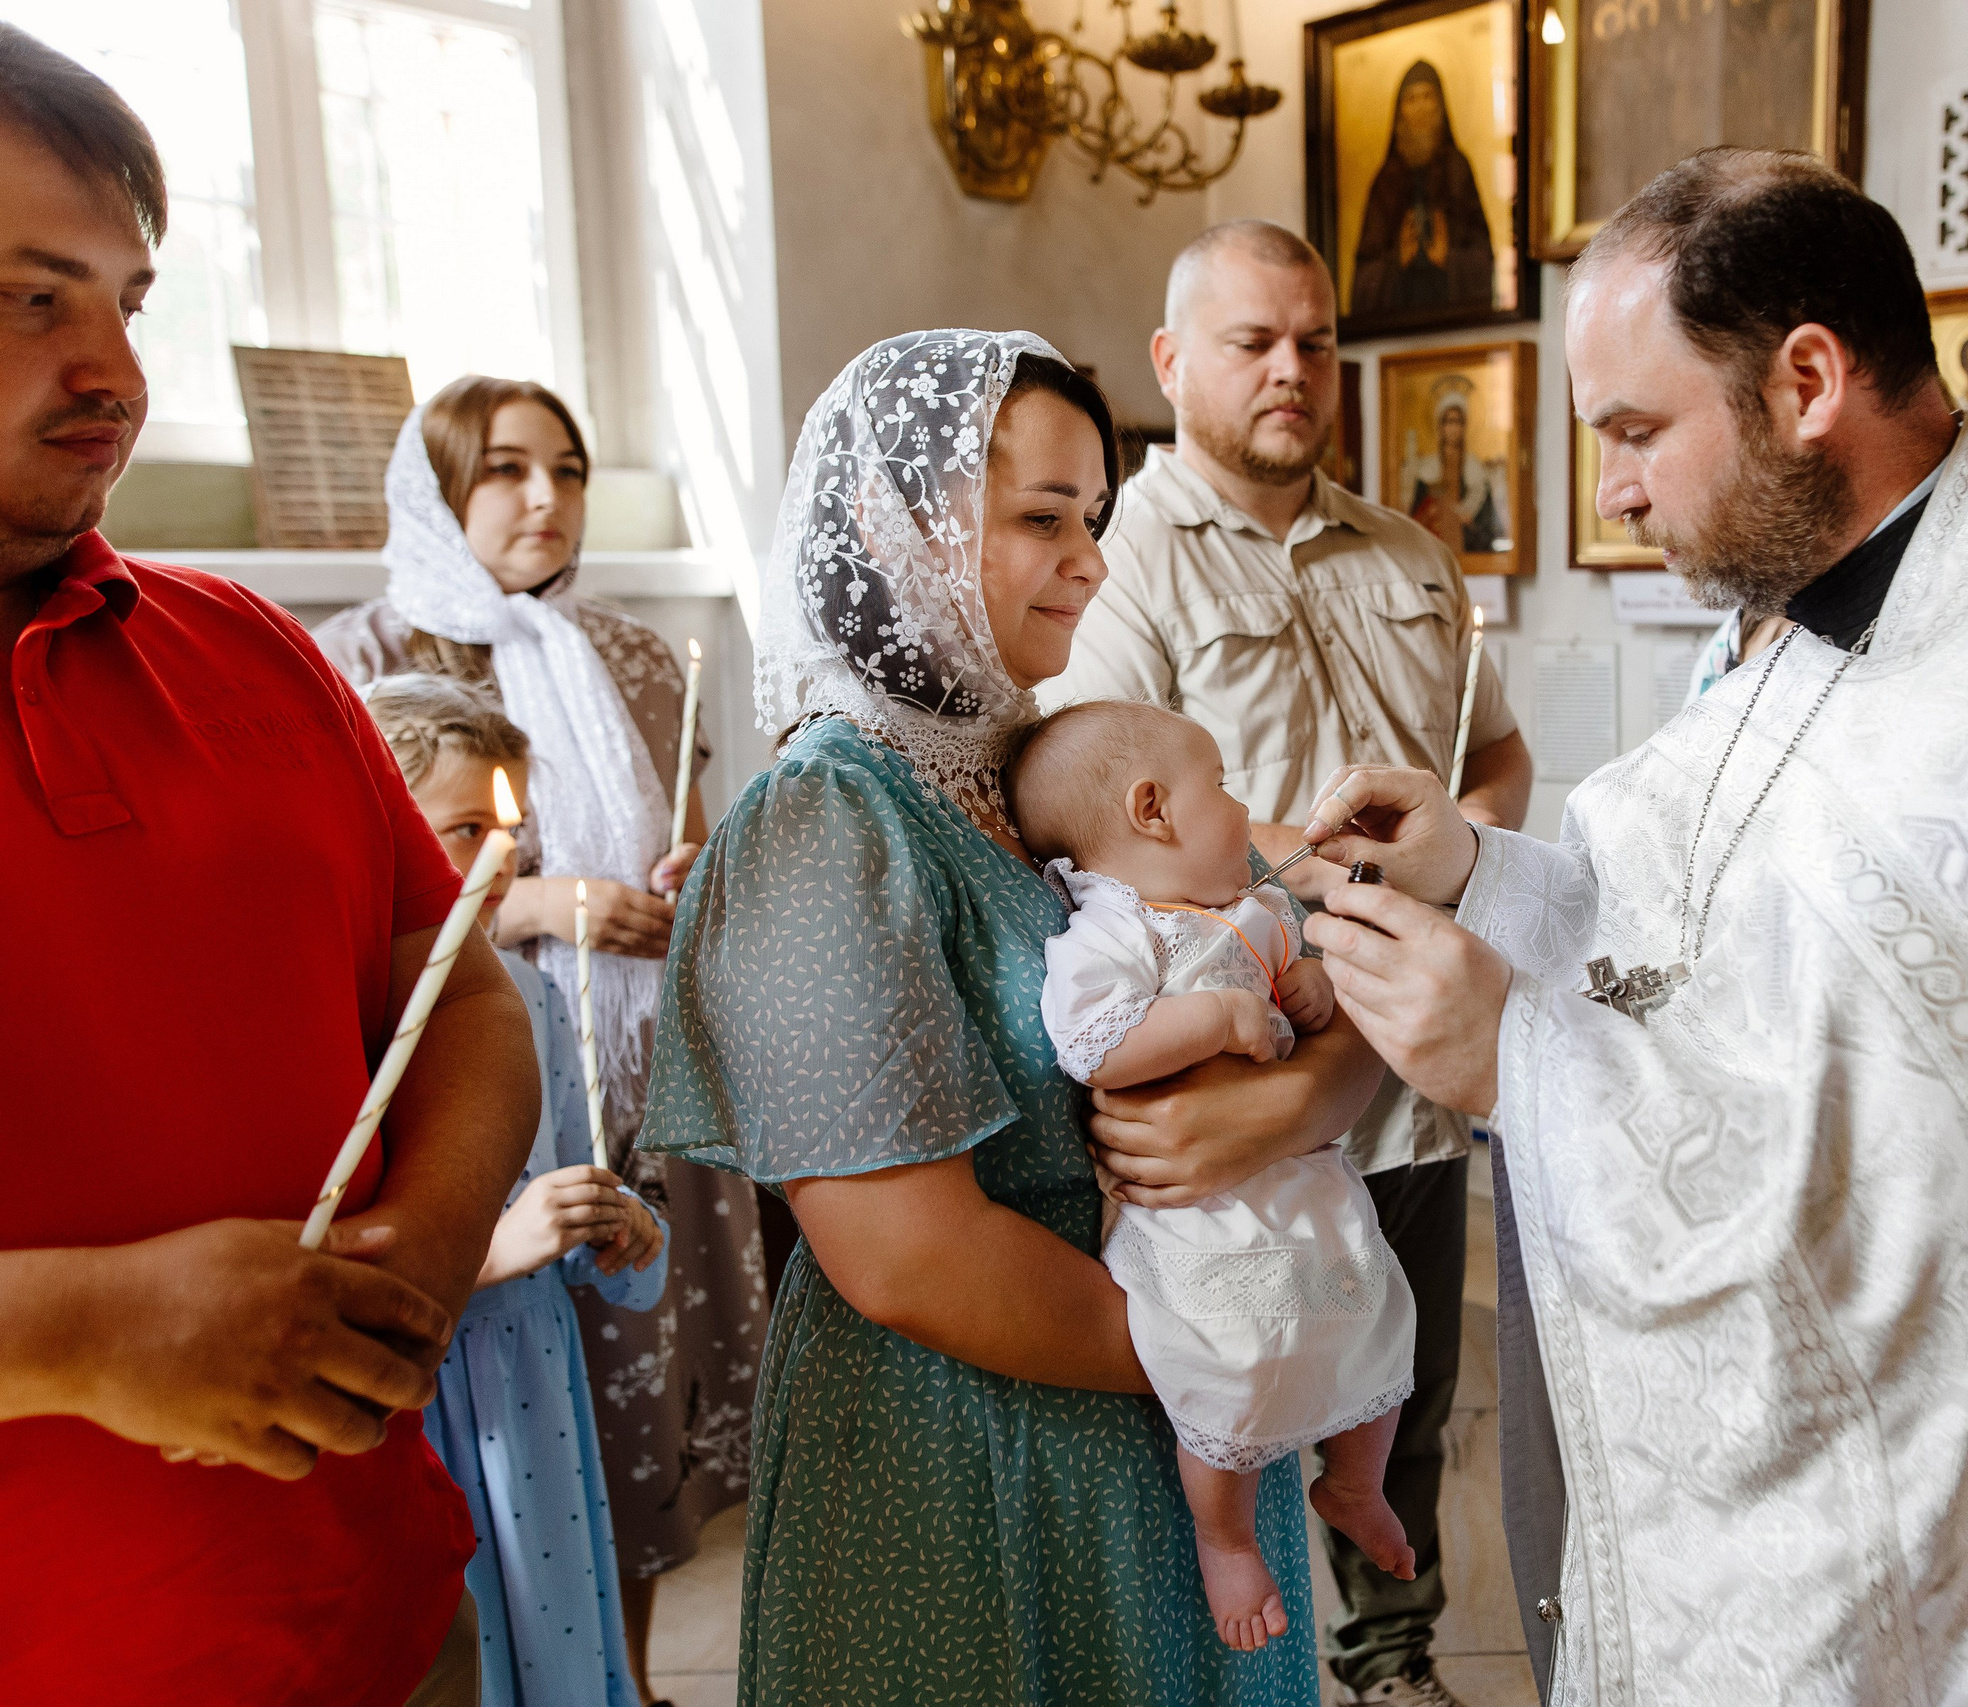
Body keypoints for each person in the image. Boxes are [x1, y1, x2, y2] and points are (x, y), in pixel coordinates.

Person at [1294, 149, 1968, 1703]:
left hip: (1909, 1540)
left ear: (1808, 378)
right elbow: (1718, 937)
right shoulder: (1845, 600)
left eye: (1633, 430)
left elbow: (1936, 1184)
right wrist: (1484, 868)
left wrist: (1508, 1065)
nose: (1611, 489)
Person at [641, 328, 1389, 1703]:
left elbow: (1338, 906)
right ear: (894, 525)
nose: (1092, 559)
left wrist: (1309, 1094)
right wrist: (1239, 1354)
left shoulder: (1040, 765)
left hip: (1185, 1391)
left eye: (1094, 517)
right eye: (1043, 517)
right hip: (978, 1436)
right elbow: (907, 1258)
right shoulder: (824, 819)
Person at [0, 26, 538, 1704]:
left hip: (369, 1615)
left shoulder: (249, 650)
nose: (111, 374)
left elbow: (455, 996)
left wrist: (434, 1249)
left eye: (125, 302)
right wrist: (82, 1335)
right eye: (30, 300)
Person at [1053, 218, 1533, 1707]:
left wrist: (1455, 849)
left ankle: (1393, 1660)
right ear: (1171, 357)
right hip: (1246, 1063)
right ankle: (1235, 1666)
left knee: (1401, 1386)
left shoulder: (1409, 549)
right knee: (1238, 1379)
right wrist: (1354, 877)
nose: (1290, 368)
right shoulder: (1114, 564)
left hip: (1413, 1062)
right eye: (1253, 339)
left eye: (1314, 340)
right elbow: (1113, 815)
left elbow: (1495, 763)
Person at [313, 377, 770, 1697]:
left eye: (566, 469)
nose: (543, 497)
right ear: (440, 491)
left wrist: (689, 876)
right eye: (505, 469)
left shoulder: (624, 651)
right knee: (492, 1452)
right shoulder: (354, 653)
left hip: (629, 1071)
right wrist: (536, 900)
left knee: (625, 1396)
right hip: (469, 1075)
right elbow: (349, 889)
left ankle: (611, 1676)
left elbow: (691, 816)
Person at [1010, 699, 1419, 1652]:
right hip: (1203, 1214)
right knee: (1228, 1367)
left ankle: (1355, 1482)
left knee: (1380, 1316)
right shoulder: (1112, 935)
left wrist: (1308, 991)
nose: (1244, 809)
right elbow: (1095, 1043)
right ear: (1153, 809)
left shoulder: (1257, 909)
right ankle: (1224, 1533)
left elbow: (1298, 990)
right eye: (1225, 786)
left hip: (1299, 1184)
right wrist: (1214, 1023)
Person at [363, 673, 671, 1707]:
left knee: (555, 1624)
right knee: (467, 1643)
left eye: (513, 829)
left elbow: (583, 1197)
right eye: (465, 827)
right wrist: (494, 1250)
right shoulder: (340, 1012)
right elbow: (321, 1242)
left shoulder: (533, 998)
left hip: (536, 1384)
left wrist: (619, 1228)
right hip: (427, 1391)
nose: (506, 856)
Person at [1349, 62, 1495, 320]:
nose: (1420, 107)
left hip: (1456, 317)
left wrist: (1448, 256)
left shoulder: (1457, 169)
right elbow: (1363, 275)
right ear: (1399, 111)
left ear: (1440, 104)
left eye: (1427, 96)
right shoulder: (1386, 180)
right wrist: (1397, 260)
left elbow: (1484, 257)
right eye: (1411, 98)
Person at [1405, 379, 1508, 555]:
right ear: (1440, 426)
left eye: (1458, 422)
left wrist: (1465, 518)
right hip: (1433, 543)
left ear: (1464, 426)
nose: (1453, 428)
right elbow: (1416, 516)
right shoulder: (1427, 468)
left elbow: (1486, 523)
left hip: (1467, 543)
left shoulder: (1474, 468)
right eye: (1448, 422)